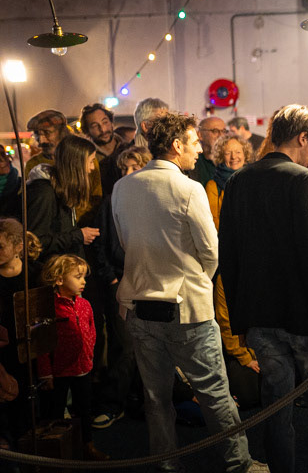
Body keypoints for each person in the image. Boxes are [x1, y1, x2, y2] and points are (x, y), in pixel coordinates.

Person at [112, 112, 252, 473]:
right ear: (177, 145)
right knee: (215, 394)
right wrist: (195, 280)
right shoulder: (189, 188)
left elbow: (126, 242)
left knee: (156, 398)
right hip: (187, 310)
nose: (199, 149)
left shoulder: (122, 187)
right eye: (194, 142)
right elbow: (211, 252)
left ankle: (166, 464)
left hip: (139, 304)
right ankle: (238, 464)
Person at [218, 104, 308, 473]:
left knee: (276, 409)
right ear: (303, 138)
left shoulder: (238, 180)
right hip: (302, 317)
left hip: (258, 316)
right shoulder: (302, 179)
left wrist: (240, 321)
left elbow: (229, 255)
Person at [91, 146, 150, 430]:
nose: (128, 172)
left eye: (134, 167)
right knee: (124, 345)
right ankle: (113, 404)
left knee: (149, 345)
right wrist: (112, 280)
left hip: (148, 282)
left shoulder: (154, 199)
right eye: (124, 168)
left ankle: (140, 401)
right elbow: (100, 245)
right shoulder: (111, 200)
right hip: (120, 280)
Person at [37, 254, 108, 461]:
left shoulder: (85, 304)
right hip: (58, 370)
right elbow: (41, 343)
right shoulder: (48, 307)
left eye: (84, 277)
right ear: (59, 279)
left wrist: (89, 356)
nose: (83, 281)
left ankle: (87, 446)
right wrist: (45, 373)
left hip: (82, 368)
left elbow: (92, 331)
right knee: (55, 412)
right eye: (78, 277)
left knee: (84, 410)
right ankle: (56, 454)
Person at [0, 220, 41, 451]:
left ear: (18, 247)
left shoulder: (35, 273)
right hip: (3, 350)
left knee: (27, 399)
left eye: (0, 246)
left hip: (29, 347)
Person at [26, 135, 100, 261]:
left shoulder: (63, 189)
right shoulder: (44, 192)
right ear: (76, 163)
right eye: (91, 161)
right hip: (49, 269)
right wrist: (78, 236)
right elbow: (34, 242)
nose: (92, 168)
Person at [205, 134, 254, 230]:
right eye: (228, 153)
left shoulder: (254, 182)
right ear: (221, 157)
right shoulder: (213, 186)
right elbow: (212, 221)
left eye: (238, 152)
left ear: (245, 155)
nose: (233, 157)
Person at [80, 103, 127, 194]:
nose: (103, 129)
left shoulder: (129, 149)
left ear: (111, 123)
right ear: (87, 131)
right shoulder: (86, 157)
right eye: (95, 126)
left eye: (105, 122)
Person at [190, 116, 226, 189]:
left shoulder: (232, 160)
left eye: (224, 131)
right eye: (215, 131)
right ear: (200, 135)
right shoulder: (192, 162)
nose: (221, 135)